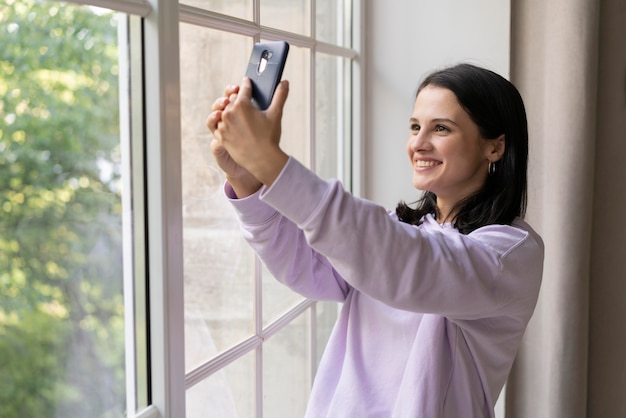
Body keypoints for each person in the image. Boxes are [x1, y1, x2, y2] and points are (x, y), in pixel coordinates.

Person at [206, 63, 544, 418]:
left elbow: (409, 265)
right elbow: (304, 263)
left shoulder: (508, 254)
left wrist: (271, 162)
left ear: (495, 147)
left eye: (441, 128)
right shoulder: (401, 230)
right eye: (415, 127)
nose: (418, 143)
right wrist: (248, 180)